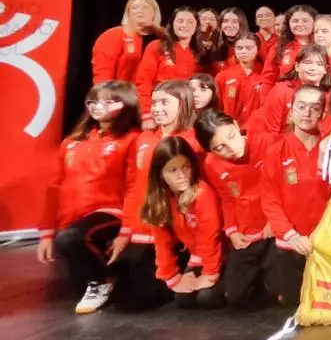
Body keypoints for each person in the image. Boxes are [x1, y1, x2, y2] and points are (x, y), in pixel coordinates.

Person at [37, 81, 141, 314]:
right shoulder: (72, 142)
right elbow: (55, 186)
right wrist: (46, 232)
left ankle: (101, 282)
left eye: (107, 101)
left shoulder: (133, 139)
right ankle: (110, 277)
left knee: (70, 239)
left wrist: (126, 230)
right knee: (77, 279)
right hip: (73, 218)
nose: (96, 106)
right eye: (92, 101)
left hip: (110, 211)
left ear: (126, 104)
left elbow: (136, 186)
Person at [122, 79, 203, 309]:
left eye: (164, 102)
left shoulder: (194, 141)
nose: (156, 108)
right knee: (131, 298)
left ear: (183, 103)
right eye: (154, 103)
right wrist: (127, 228)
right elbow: (133, 186)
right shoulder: (144, 139)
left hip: (179, 234)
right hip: (145, 230)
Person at [259, 84, 331, 307]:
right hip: (291, 242)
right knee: (292, 301)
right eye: (301, 106)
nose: (307, 113)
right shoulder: (277, 150)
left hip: (325, 241)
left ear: (322, 114)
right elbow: (269, 199)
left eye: (314, 108)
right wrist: (291, 236)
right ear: (291, 111)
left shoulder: (330, 147)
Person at [194, 110, 275, 307]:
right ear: (210, 150)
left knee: (280, 288)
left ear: (237, 126)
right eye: (220, 147)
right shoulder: (212, 164)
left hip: (275, 227)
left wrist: (274, 221)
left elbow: (285, 189)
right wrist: (232, 231)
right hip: (246, 232)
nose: (231, 148)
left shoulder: (268, 143)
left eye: (231, 136)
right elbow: (227, 199)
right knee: (236, 297)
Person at [141, 136, 226, 309]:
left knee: (208, 298)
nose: (181, 175)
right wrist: (172, 277)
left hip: (222, 255)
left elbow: (211, 237)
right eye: (173, 170)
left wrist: (210, 274)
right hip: (198, 257)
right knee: (183, 299)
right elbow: (162, 243)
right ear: (160, 173)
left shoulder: (202, 193)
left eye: (186, 167)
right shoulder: (161, 199)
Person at [135, 6, 201, 123]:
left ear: (197, 26)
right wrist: (146, 113)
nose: (184, 25)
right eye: (180, 21)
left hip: (189, 112)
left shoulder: (200, 52)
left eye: (190, 22)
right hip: (161, 109)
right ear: (172, 24)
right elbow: (143, 82)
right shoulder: (157, 46)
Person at [248, 45, 331, 135]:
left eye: (319, 64)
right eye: (307, 62)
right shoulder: (281, 90)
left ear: (325, 69)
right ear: (297, 66)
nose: (313, 68)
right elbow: (270, 132)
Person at [92, 0, 162, 84]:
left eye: (145, 7)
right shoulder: (112, 35)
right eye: (134, 8)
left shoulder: (163, 38)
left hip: (156, 91)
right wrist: (106, 91)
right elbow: (103, 72)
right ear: (128, 14)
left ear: (154, 13)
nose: (139, 11)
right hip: (122, 91)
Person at [214, 32, 267, 125]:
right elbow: (218, 107)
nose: (243, 51)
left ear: (258, 50)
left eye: (249, 48)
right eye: (239, 48)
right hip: (231, 127)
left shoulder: (265, 74)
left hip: (257, 127)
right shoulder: (223, 76)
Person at [262, 4, 317, 87]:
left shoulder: (322, 46)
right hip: (285, 93)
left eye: (305, 21)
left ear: (315, 22)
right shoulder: (278, 47)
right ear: (288, 23)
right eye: (295, 21)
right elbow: (268, 78)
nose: (299, 24)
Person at [207, 7, 249, 74]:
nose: (229, 25)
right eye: (225, 21)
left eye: (234, 21)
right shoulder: (214, 44)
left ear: (241, 24)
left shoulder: (250, 45)